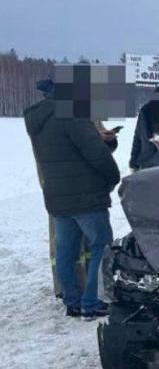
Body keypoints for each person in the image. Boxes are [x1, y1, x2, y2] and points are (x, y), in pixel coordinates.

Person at [25, 78, 121, 318]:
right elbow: (96, 154)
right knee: (102, 246)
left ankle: (73, 301)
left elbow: (68, 149)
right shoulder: (73, 116)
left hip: (57, 198)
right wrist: (113, 177)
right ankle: (93, 301)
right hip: (86, 197)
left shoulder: (38, 119)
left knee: (65, 253)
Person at [130, 82, 159, 171]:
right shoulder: (146, 111)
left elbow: (138, 138)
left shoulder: (146, 110)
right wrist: (133, 163)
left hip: (152, 163)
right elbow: (138, 137)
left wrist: (133, 163)